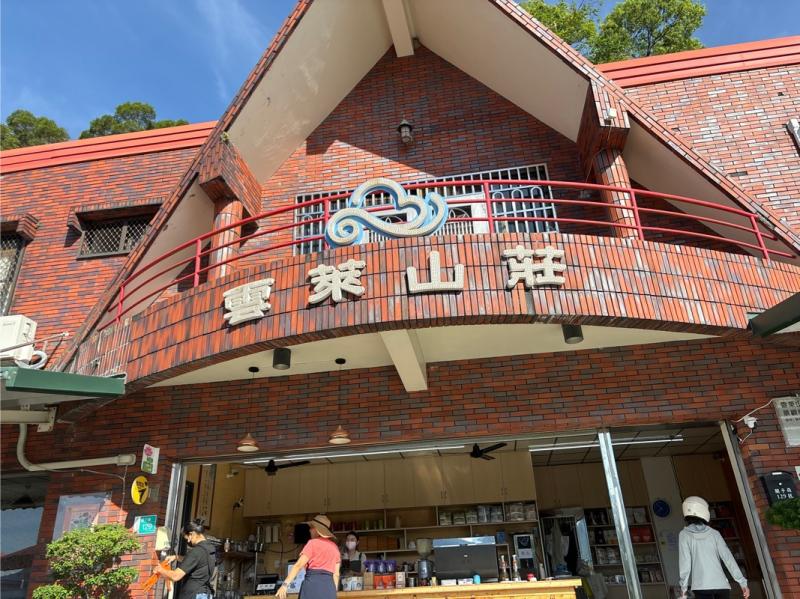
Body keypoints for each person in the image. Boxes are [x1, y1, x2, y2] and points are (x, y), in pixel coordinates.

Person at [678, 496, 749, 599]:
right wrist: (742, 582)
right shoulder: (715, 534)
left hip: (701, 586)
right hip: (721, 585)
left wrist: (683, 588)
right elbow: (728, 558)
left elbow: (685, 564)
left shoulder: (684, 535)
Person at [277, 514, 340, 599]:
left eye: (311, 527)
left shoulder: (312, 543)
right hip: (329, 589)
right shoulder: (335, 548)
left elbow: (298, 566)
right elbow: (336, 574)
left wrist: (284, 585)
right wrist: (333, 592)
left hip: (312, 586)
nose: (309, 530)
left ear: (317, 529)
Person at [155, 520, 216, 599]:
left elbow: (176, 576)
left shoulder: (196, 551)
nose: (188, 541)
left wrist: (160, 570)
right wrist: (176, 557)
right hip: (205, 594)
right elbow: (197, 561)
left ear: (191, 534)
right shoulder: (210, 549)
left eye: (187, 539)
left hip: (193, 594)